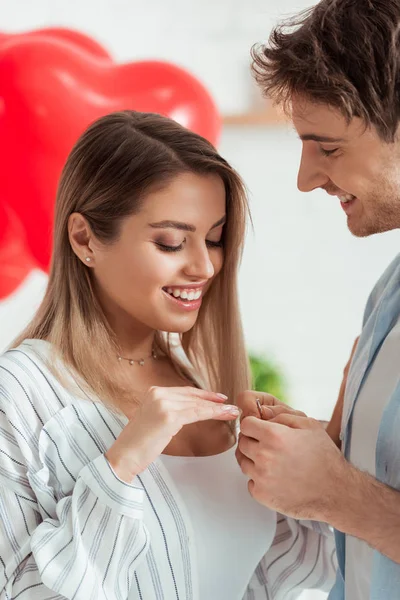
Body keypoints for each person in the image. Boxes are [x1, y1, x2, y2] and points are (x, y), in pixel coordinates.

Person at [0, 110, 334, 599]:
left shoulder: (206, 385)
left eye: (215, 239)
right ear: (84, 239)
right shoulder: (20, 394)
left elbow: (275, 582)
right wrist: (121, 466)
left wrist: (315, 483)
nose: (204, 265)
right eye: (172, 242)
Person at [236, 1, 400, 599]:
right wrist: (316, 449)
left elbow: (351, 500)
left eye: (327, 149)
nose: (306, 178)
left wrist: (333, 491)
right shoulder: (390, 289)